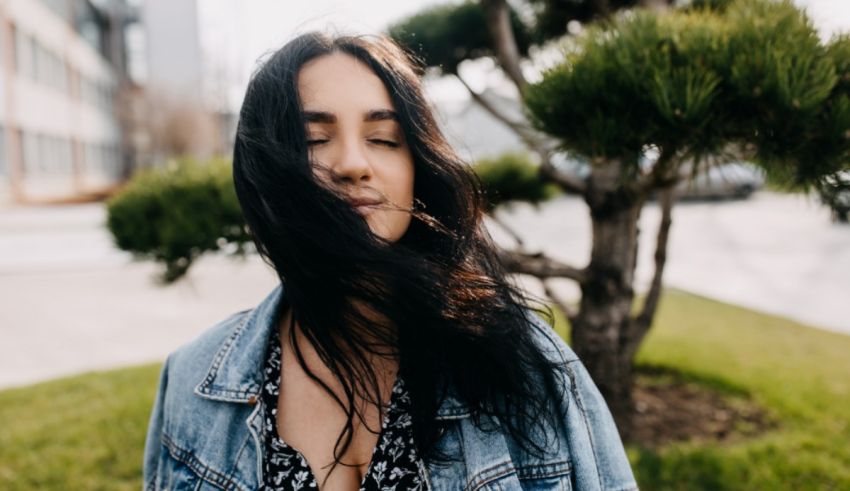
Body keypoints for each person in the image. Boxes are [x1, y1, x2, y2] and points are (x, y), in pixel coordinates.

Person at [142, 31, 637, 491]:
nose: (354, 164)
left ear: (418, 166)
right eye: (314, 139)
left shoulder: (531, 366)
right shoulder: (192, 382)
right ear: (266, 169)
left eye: (384, 139)